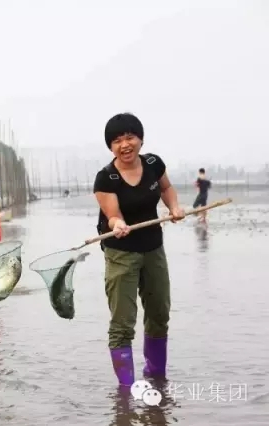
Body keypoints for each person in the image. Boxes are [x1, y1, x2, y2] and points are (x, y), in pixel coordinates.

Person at [92, 112, 185, 387]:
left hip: (153, 248)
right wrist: (118, 223)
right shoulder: (105, 178)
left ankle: (157, 380)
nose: (125, 145)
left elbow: (166, 189)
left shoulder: (154, 164)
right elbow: (112, 215)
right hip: (121, 253)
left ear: (140, 139)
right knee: (123, 323)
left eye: (130, 137)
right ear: (111, 147)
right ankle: (126, 391)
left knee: (159, 314)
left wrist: (174, 207)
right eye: (117, 141)